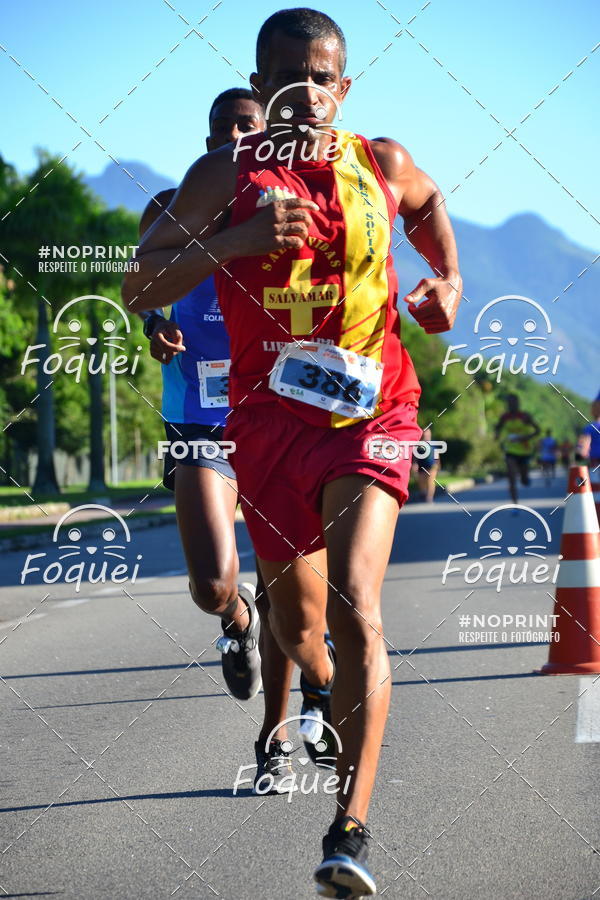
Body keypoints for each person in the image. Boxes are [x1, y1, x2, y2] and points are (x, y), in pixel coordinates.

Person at [123, 9, 462, 897]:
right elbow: (137, 284)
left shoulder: (378, 162)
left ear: (343, 88)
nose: (304, 95)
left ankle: (350, 826)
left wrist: (449, 278)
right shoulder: (221, 177)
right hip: (268, 427)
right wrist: (232, 242)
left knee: (355, 608)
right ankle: (287, 678)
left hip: (372, 411)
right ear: (261, 83)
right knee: (299, 626)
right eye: (285, 78)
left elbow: (426, 205)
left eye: (321, 78)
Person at [139, 88, 295, 794]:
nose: (230, 136)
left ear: (267, 137)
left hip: (280, 422)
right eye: (218, 129)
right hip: (201, 422)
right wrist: (154, 330)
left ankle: (274, 736)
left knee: (290, 597)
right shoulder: (170, 208)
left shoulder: (291, 214)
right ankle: (235, 622)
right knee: (212, 584)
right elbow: (140, 289)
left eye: (245, 126)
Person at [494, 394, 540, 503]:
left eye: (513, 402)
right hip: (510, 450)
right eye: (509, 403)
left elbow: (537, 430)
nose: (511, 405)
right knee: (511, 477)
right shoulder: (504, 417)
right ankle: (515, 503)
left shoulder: (525, 416)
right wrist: (496, 434)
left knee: (524, 480)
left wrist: (525, 437)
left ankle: (525, 478)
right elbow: (498, 427)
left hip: (525, 450)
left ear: (518, 403)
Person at [412, 426, 440, 502]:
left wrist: (438, 465)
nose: (426, 435)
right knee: (421, 481)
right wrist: (414, 464)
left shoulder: (433, 444)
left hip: (431, 465)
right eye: (425, 434)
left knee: (430, 481)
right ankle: (424, 493)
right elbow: (415, 455)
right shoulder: (418, 445)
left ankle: (429, 497)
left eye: (428, 434)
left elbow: (437, 456)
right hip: (421, 465)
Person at [576, 393, 600, 468]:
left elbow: (584, 448)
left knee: (592, 478)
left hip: (594, 461)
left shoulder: (589, 428)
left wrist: (578, 457)